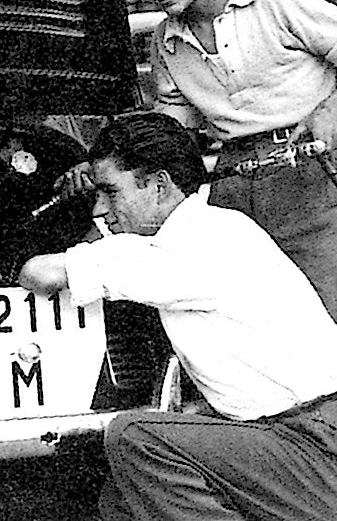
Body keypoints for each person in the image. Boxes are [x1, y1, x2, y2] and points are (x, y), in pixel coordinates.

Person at [19, 112, 337, 520]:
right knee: (120, 499)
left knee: (136, 439)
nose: (100, 207)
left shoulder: (194, 244)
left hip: (315, 441)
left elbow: (38, 273)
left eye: (110, 192)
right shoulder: (219, 225)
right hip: (297, 433)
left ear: (158, 185)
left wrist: (96, 235)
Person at [62, 0, 337, 320]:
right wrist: (103, 169)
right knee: (249, 321)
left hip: (315, 180)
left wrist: (330, 109)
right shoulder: (165, 42)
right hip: (232, 191)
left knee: (327, 318)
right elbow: (169, 134)